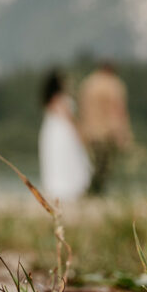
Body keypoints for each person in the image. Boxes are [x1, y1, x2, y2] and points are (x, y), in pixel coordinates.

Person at [78, 62, 133, 194]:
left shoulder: (88, 83)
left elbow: (82, 109)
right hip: (108, 131)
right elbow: (118, 110)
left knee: (94, 164)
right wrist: (124, 133)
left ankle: (92, 192)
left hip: (90, 131)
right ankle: (96, 191)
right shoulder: (114, 85)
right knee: (104, 166)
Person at [38, 70, 91, 203]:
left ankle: (58, 188)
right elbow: (68, 118)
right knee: (67, 159)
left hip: (52, 133)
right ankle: (66, 189)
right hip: (62, 133)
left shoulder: (50, 101)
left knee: (58, 160)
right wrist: (80, 133)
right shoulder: (60, 100)